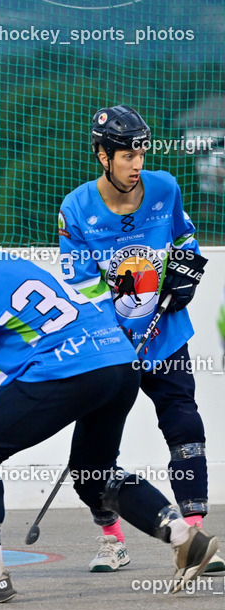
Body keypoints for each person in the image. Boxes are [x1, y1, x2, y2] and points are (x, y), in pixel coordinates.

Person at [0, 196, 219, 604]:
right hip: (118, 362)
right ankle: (187, 539)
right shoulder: (10, 264)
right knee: (93, 473)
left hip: (71, 371)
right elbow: (30, 355)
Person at [58, 105, 221, 573]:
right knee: (92, 457)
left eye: (140, 153)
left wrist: (184, 276)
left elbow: (185, 241)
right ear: (101, 155)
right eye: (126, 155)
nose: (136, 164)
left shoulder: (164, 188)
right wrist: (111, 335)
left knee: (185, 429)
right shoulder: (76, 207)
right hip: (110, 349)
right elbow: (79, 286)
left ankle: (194, 538)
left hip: (165, 335)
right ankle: (112, 538)